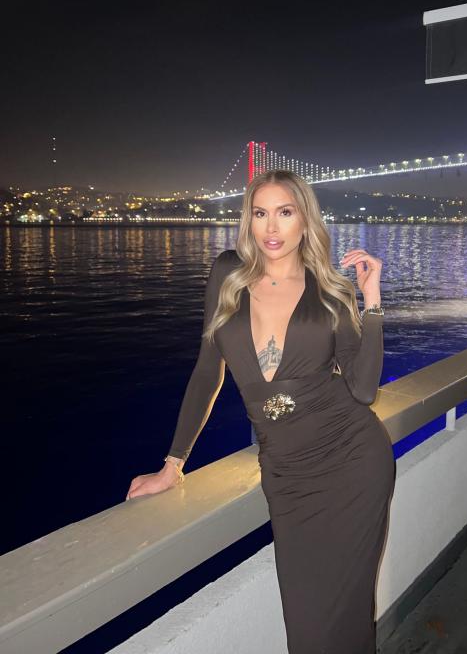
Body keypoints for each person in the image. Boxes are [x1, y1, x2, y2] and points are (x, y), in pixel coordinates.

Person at [126, 169, 396, 653]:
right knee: (306, 624)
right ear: (247, 221)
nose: (271, 227)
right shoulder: (227, 273)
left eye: (285, 212)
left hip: (354, 462)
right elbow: (207, 371)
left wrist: (371, 300)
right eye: (260, 213)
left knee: (349, 614)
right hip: (287, 475)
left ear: (304, 220)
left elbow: (362, 389)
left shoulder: (331, 288)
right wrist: (173, 464)